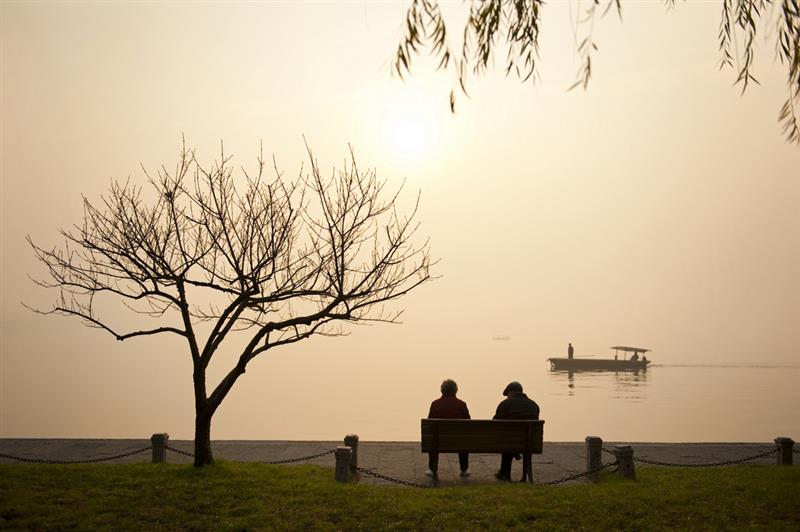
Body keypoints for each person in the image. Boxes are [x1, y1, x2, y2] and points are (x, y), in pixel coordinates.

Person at [492, 381, 540, 481]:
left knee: (508, 439)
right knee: (515, 439)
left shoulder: (505, 404)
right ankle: (523, 476)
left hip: (509, 441)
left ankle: (505, 473)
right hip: (529, 442)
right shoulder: (533, 405)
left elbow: (494, 423)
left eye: (508, 395)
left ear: (510, 392)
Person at [426, 379, 471, 477]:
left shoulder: (435, 404)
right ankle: (464, 469)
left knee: (432, 438)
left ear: (442, 390)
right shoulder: (461, 404)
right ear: (455, 390)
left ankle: (432, 469)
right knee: (464, 438)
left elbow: (429, 423)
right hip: (458, 441)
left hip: (438, 441)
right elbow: (468, 423)